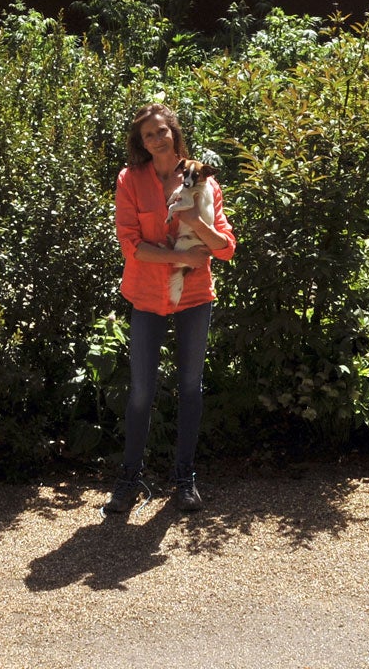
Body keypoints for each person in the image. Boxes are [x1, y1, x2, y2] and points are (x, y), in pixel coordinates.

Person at [103, 102, 235, 516]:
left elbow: (226, 248)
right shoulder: (130, 180)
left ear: (174, 132)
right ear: (141, 143)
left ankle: (184, 478)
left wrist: (195, 225)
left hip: (194, 296)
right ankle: (129, 476)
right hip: (146, 295)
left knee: (190, 388)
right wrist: (185, 259)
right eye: (148, 135)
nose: (157, 139)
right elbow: (131, 246)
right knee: (141, 391)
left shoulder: (202, 178)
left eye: (162, 131)